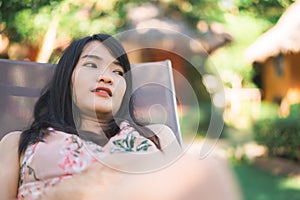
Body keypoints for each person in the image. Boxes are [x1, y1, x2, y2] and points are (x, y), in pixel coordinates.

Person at [0, 33, 242, 200]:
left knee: (204, 169)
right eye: (92, 65)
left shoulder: (158, 135)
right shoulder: (17, 143)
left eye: (117, 71)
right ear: (67, 78)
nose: (107, 77)